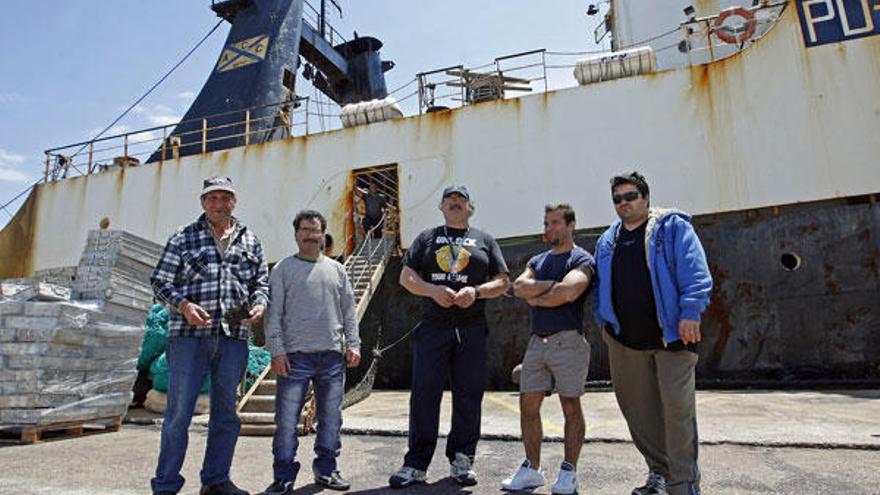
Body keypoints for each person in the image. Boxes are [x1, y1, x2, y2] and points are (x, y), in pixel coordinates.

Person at [593, 172, 713, 495]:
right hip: (625, 342)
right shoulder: (607, 240)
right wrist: (604, 322)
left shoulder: (672, 227)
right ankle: (659, 473)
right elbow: (602, 285)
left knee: (678, 415)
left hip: (672, 339)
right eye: (617, 199)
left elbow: (695, 271)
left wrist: (690, 312)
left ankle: (684, 484)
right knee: (640, 416)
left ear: (645, 197)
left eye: (630, 196)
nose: (623, 203)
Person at [150, 176, 269, 495]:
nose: (219, 204)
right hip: (189, 337)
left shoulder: (251, 240)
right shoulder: (183, 238)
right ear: (203, 202)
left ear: (234, 201)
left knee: (227, 414)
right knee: (178, 414)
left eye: (225, 197)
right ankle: (165, 485)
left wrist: (259, 305)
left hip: (233, 338)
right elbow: (160, 282)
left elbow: (261, 283)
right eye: (212, 198)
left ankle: (216, 481)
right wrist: (184, 305)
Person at [388, 185, 510, 488]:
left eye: (461, 199)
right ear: (441, 207)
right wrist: (433, 291)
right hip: (433, 327)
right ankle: (416, 464)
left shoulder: (485, 240)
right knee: (424, 395)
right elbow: (406, 277)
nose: (455, 203)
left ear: (470, 207)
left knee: (469, 395)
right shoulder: (426, 239)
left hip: (471, 328)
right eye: (449, 199)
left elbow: (503, 282)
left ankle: (462, 460)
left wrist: (477, 292)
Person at [261, 210, 361, 494]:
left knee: (331, 419)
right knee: (286, 421)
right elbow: (273, 314)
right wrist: (276, 351)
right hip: (294, 357)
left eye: (314, 230)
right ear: (296, 235)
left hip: (331, 356)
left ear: (323, 234)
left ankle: (327, 471)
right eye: (304, 230)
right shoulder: (282, 269)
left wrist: (353, 344)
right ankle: (283, 476)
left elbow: (348, 311)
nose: (309, 235)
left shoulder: (337, 269)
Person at [503, 204, 594, 495]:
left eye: (555, 223)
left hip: (568, 341)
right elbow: (518, 287)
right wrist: (551, 289)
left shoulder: (582, 259)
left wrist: (538, 296)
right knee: (528, 405)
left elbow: (570, 292)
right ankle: (532, 468)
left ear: (571, 225)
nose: (549, 228)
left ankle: (569, 471)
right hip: (536, 343)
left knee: (570, 405)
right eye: (546, 223)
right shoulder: (538, 259)